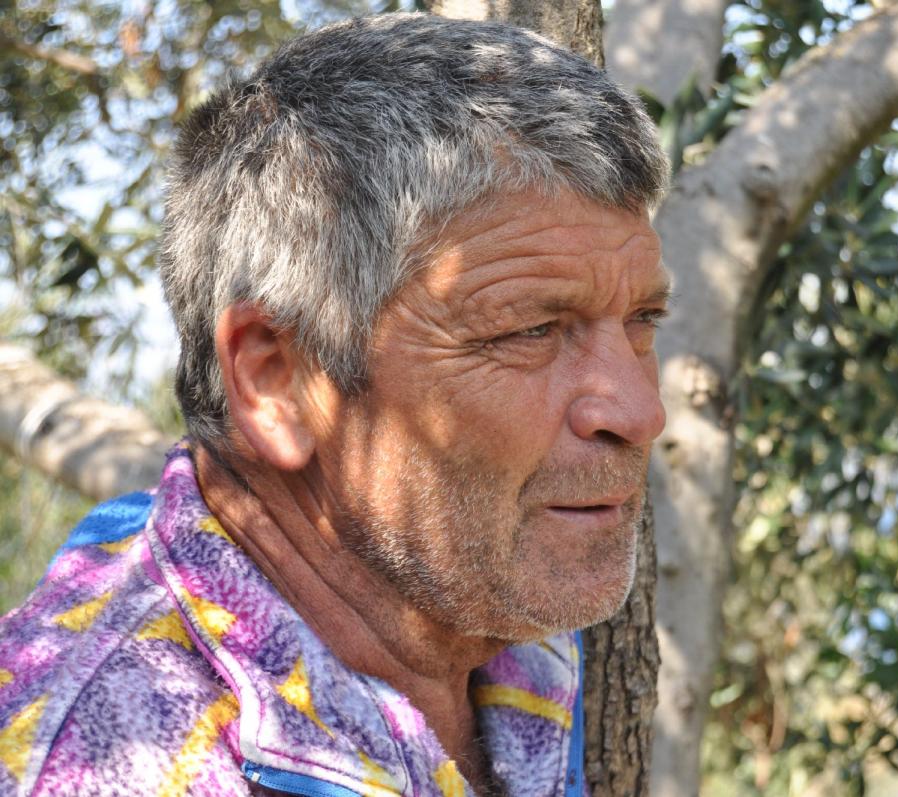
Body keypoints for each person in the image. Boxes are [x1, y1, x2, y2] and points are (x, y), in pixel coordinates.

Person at [0, 12, 670, 796]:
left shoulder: (482, 595)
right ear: (277, 382)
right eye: (529, 330)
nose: (639, 411)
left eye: (642, 320)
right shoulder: (113, 762)